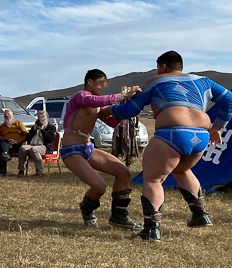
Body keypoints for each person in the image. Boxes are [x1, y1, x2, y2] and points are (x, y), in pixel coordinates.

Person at [110, 51, 232, 241]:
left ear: (162, 67)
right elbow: (229, 99)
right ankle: (200, 214)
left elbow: (129, 110)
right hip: (200, 135)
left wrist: (112, 107)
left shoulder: (154, 82)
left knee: (153, 179)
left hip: (172, 133)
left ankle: (151, 229)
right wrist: (217, 127)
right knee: (181, 170)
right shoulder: (204, 81)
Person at [61, 69, 140, 229]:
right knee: (100, 186)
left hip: (87, 147)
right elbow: (94, 101)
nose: (104, 86)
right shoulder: (80, 97)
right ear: (89, 82)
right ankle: (87, 208)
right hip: (71, 150)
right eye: (101, 83)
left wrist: (127, 110)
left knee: (124, 173)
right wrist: (123, 95)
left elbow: (111, 121)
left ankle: (119, 216)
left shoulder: (97, 104)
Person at [18, 110, 56, 176]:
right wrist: (33, 130)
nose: (41, 119)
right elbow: (28, 138)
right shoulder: (35, 125)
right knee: (23, 148)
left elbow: (50, 139)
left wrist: (42, 130)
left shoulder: (51, 127)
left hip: (43, 146)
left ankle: (39, 172)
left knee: (34, 150)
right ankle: (21, 170)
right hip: (32, 145)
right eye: (39, 117)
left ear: (46, 117)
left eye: (42, 117)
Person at [0, 109, 28, 176]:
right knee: (2, 143)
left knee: (3, 150)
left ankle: (5, 154)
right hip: (6, 144)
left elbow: (26, 135)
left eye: (9, 115)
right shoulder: (2, 126)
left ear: (13, 116)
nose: (7, 117)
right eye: (6, 116)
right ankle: (3, 170)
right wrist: (6, 140)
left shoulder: (19, 123)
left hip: (17, 145)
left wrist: (17, 141)